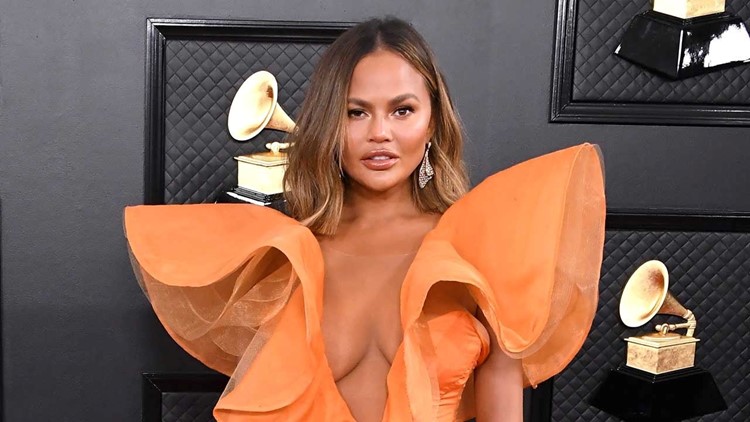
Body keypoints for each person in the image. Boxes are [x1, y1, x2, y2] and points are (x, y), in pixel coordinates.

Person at [124, 17, 606, 422]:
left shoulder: (477, 249)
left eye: (402, 110)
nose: (380, 133)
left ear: (433, 122)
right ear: (329, 124)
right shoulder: (290, 255)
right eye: (356, 113)